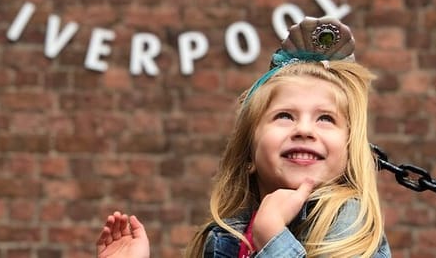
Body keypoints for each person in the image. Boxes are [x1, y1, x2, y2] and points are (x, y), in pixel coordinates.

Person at [97, 17, 392, 257]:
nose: (304, 129)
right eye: (284, 116)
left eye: (325, 118)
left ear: (349, 150)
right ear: (249, 154)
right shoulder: (226, 235)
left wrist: (273, 239)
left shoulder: (350, 224)